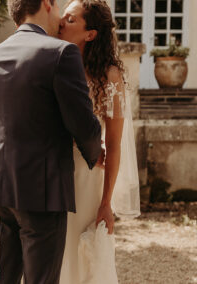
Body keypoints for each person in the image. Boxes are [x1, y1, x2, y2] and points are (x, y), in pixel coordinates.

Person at [0, 0, 104, 283]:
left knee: (2, 278)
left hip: (1, 187)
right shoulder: (61, 54)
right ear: (47, 3)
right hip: (43, 192)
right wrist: (95, 153)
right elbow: (83, 125)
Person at [58, 1, 141, 283]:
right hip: (51, 172)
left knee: (80, 254)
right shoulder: (54, 63)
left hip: (87, 177)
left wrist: (106, 203)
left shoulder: (110, 77)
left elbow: (114, 144)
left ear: (90, 34)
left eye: (70, 19)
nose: (61, 21)